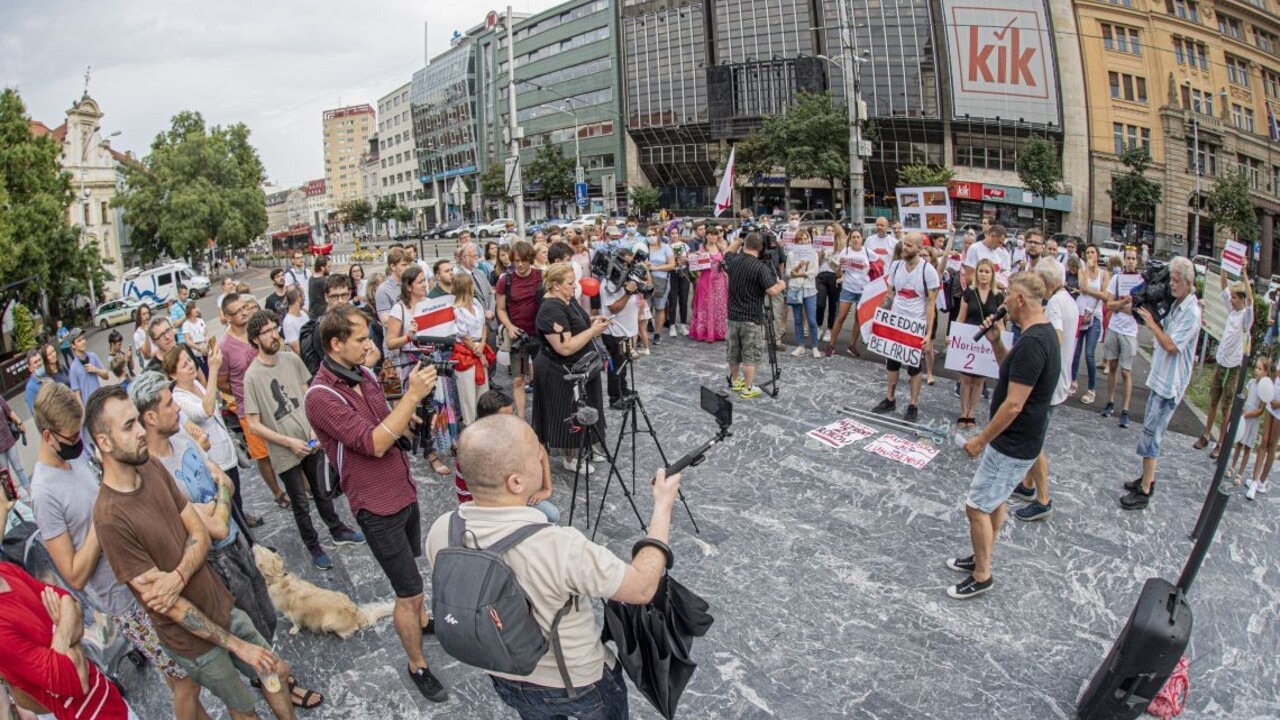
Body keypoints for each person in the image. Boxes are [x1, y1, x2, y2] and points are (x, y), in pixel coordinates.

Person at [424, 414, 683, 719]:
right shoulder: (559, 546)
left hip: (505, 674)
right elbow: (642, 587)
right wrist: (663, 506)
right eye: (537, 452)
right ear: (516, 481)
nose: (542, 455)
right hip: (576, 684)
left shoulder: (443, 530)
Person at [86, 386, 304, 720]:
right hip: (195, 644)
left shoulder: (151, 468)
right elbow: (169, 605)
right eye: (129, 426)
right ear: (104, 442)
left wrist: (178, 575)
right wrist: (235, 645)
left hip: (220, 604)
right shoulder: (110, 519)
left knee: (276, 671)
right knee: (244, 708)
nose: (142, 431)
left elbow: (200, 531)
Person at [304, 303, 450, 703]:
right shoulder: (320, 397)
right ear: (336, 344)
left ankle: (422, 618)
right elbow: (373, 442)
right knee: (407, 590)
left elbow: (385, 419)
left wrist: (412, 415)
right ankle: (417, 664)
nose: (371, 344)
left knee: (413, 574)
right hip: (376, 506)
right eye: (362, 338)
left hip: (402, 491)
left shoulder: (363, 373)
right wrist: (412, 395)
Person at [129, 372, 282, 651]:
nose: (177, 408)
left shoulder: (185, 442)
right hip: (216, 562)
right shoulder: (154, 474)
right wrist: (217, 499)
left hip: (238, 545)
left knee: (268, 616)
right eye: (168, 404)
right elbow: (217, 527)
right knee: (252, 632)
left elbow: (225, 483)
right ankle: (276, 682)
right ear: (150, 418)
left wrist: (213, 502)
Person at [949, 272, 1059, 599]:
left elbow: (1013, 404)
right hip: (1018, 441)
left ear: (1021, 300)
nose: (1004, 301)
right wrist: (996, 341)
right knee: (994, 501)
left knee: (976, 507)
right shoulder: (1037, 334)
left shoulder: (1034, 343)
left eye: (1009, 295)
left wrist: (980, 439)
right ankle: (981, 556)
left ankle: (982, 575)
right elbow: (1008, 370)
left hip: (1013, 442)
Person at [243, 311, 366, 570]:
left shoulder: (290, 358)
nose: (273, 334)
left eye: (274, 328)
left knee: (322, 490)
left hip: (310, 440)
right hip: (284, 450)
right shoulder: (252, 376)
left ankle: (338, 530)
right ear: (255, 339)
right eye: (266, 332)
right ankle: (314, 546)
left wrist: (313, 428)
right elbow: (253, 423)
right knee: (300, 502)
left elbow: (308, 394)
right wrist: (287, 442)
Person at [0, 554, 133, 720]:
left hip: (111, 698)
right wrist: (66, 629)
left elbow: (72, 603)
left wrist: (60, 636)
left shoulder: (5, 570)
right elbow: (78, 681)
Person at [1115, 257, 1200, 510]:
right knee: (1149, 431)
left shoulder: (1191, 312)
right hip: (1160, 377)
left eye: (1175, 281)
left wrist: (1151, 325)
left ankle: (1144, 491)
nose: (1171, 285)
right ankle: (1147, 478)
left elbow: (1172, 346)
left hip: (1169, 385)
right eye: (1171, 279)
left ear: (1187, 282)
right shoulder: (1178, 304)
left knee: (1151, 436)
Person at [164, 344, 262, 529]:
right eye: (184, 365)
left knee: (238, 500)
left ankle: (248, 535)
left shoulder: (197, 384)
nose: (191, 366)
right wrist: (214, 369)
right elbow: (206, 410)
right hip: (215, 461)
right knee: (229, 509)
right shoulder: (179, 399)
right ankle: (248, 546)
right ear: (173, 375)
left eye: (189, 361)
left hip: (226, 454)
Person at [1009, 259, 1077, 522]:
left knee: (1034, 440)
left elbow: (1055, 338)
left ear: (1047, 282)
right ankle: (1028, 485)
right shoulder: (1067, 298)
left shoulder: (1057, 304)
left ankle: (1043, 499)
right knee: (1037, 435)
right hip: (1059, 378)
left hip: (1049, 382)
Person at [532, 263, 610, 471]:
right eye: (570, 283)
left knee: (585, 406)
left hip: (580, 368)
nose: (575, 286)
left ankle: (585, 448)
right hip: (560, 372)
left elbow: (575, 323)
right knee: (568, 412)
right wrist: (593, 331)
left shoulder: (567, 298)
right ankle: (570, 458)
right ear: (556, 286)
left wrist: (592, 320)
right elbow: (565, 347)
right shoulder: (550, 310)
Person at [217, 293, 287, 510]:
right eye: (237, 311)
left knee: (285, 442)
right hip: (248, 408)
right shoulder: (225, 346)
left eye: (244, 307)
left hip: (273, 398)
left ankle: (302, 485)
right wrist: (244, 390)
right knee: (262, 454)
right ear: (227, 316)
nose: (244, 313)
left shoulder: (255, 332)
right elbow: (222, 382)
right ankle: (278, 492)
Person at [452, 389, 560, 522]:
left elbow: (541, 450)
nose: (512, 420)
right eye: (505, 418)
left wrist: (546, 489)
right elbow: (490, 498)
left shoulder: (512, 431)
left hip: (511, 496)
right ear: (489, 421)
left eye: (513, 413)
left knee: (552, 515)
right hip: (481, 508)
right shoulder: (474, 447)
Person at [870, 233, 940, 423]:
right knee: (892, 364)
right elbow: (890, 294)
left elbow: (931, 304)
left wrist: (928, 334)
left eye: (909, 245)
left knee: (914, 368)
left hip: (914, 326)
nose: (904, 248)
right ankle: (890, 399)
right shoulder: (896, 266)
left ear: (919, 248)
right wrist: (879, 317)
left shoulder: (928, 271)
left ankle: (912, 405)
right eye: (903, 244)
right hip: (896, 323)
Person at [1194, 268, 1253, 459]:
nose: (1232, 300)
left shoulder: (1245, 317)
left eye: (1236, 297)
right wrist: (1226, 267)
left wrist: (1244, 273)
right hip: (1221, 362)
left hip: (1232, 367)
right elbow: (1223, 286)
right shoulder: (1232, 312)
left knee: (1226, 406)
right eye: (1232, 297)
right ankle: (1206, 434)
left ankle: (1221, 442)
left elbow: (1251, 301)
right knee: (1213, 401)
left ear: (1242, 298)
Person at [723, 233, 786, 398]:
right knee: (750, 354)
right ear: (761, 248)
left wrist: (738, 240)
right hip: (752, 318)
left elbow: (727, 253)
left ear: (745, 245)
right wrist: (782, 284)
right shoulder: (760, 268)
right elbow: (772, 291)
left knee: (734, 351)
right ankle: (748, 388)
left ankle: (736, 381)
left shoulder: (733, 260)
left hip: (733, 316)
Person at [496, 241, 543, 419]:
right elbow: (500, 308)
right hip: (518, 336)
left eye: (524, 260)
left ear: (530, 259)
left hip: (539, 335)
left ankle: (543, 416)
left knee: (541, 379)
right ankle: (521, 419)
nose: (521, 265)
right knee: (518, 379)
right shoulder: (505, 280)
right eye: (517, 261)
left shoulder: (541, 276)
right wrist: (509, 326)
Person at [955, 259, 1003, 429]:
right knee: (966, 378)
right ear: (976, 274)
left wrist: (1001, 341)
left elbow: (1001, 323)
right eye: (980, 271)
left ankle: (972, 413)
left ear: (992, 275)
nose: (983, 274)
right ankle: (963, 412)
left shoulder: (998, 296)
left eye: (987, 271)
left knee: (979, 380)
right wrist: (953, 336)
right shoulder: (969, 292)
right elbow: (961, 317)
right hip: (969, 339)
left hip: (987, 341)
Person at [1100, 247, 1142, 428]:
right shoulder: (1117, 279)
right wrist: (1122, 304)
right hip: (1114, 328)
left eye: (1134, 258)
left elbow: (1138, 309)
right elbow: (1109, 304)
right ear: (1124, 260)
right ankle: (1110, 402)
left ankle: (1125, 409)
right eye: (1128, 258)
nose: (1131, 261)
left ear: (1137, 261)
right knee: (1112, 365)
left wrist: (1123, 307)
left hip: (1130, 331)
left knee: (1126, 371)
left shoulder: (1140, 281)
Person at [600, 248, 642, 407]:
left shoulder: (626, 277)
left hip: (627, 330)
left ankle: (623, 389)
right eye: (625, 263)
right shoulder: (608, 283)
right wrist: (628, 293)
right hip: (615, 331)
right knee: (616, 367)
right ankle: (615, 398)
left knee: (624, 363)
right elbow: (613, 308)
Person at [451, 272, 492, 426]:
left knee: (483, 391)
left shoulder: (476, 303)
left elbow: (483, 325)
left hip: (479, 345)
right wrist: (478, 352)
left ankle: (484, 424)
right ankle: (470, 425)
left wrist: (481, 346)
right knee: (468, 394)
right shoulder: (456, 309)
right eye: (471, 283)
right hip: (466, 352)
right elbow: (463, 335)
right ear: (465, 286)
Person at [1071, 245, 1110, 404]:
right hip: (1081, 314)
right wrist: (1087, 271)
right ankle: (1072, 381)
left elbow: (1105, 296)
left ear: (1098, 255)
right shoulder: (1082, 271)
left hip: (1095, 316)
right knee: (1076, 351)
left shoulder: (1104, 274)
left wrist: (1090, 292)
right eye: (1087, 253)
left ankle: (1091, 389)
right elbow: (1083, 287)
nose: (1090, 255)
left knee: (1089, 354)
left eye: (1093, 252)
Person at [825, 230, 871, 358]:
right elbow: (838, 274)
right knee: (841, 317)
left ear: (862, 239)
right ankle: (831, 345)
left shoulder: (867, 252)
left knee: (858, 318)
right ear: (850, 239)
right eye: (853, 237)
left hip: (863, 290)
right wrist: (841, 266)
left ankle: (852, 345)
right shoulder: (844, 252)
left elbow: (878, 265)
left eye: (858, 237)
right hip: (848, 288)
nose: (856, 239)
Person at [1227, 356, 1268, 485]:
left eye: (1260, 369)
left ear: (1266, 372)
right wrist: (1242, 409)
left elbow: (1261, 409)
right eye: (1256, 367)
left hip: (1253, 419)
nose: (1257, 371)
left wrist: (1251, 414)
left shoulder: (1264, 389)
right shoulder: (1251, 382)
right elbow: (1244, 397)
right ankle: (1232, 467)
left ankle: (1240, 473)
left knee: (1247, 447)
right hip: (1245, 416)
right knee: (1239, 443)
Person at [784, 228, 822, 357]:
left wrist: (801, 273)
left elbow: (814, 272)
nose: (803, 241)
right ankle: (800, 345)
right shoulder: (791, 254)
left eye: (806, 239)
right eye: (801, 239)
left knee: (811, 320)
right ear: (797, 241)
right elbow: (788, 273)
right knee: (798, 319)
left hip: (809, 289)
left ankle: (815, 346)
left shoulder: (814, 254)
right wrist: (799, 266)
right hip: (795, 289)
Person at [688, 226, 729, 343]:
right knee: (705, 305)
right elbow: (695, 267)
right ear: (706, 236)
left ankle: (719, 332)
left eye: (715, 234)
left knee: (719, 306)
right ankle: (704, 332)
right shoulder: (702, 249)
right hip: (706, 280)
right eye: (711, 234)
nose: (713, 236)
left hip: (719, 281)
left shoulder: (721, 248)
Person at [815, 224, 845, 343]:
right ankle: (818, 327)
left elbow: (840, 266)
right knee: (820, 303)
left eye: (832, 230)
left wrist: (831, 259)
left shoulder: (840, 246)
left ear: (836, 232)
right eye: (828, 230)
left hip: (833, 275)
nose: (830, 232)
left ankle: (829, 329)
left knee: (833, 304)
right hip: (821, 275)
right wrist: (821, 255)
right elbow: (816, 262)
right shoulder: (821, 244)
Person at [644, 231, 675, 344]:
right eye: (648, 235)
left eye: (653, 235)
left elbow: (672, 265)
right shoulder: (644, 247)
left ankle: (657, 333)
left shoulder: (665, 247)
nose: (651, 237)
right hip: (645, 281)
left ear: (658, 236)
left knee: (660, 307)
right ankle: (643, 334)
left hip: (661, 280)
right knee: (644, 308)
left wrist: (655, 268)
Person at [67, 328, 109, 405]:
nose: (83, 342)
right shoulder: (73, 368)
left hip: (100, 402)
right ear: (73, 345)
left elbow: (106, 376)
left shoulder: (93, 356)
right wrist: (83, 413)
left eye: (83, 339)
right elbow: (77, 395)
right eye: (79, 341)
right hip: (89, 407)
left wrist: (96, 370)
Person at [964, 223, 1013, 290]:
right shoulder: (975, 249)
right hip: (979, 293)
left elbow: (1002, 272)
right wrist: (993, 284)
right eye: (999, 242)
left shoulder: (999, 252)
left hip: (995, 295)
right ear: (992, 236)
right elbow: (969, 278)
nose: (1000, 245)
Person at [0, 391, 28, 493]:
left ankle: (29, 491)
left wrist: (19, 422)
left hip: (8, 439)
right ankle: (12, 499)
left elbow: (9, 411)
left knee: (18, 468)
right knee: (5, 476)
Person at [280, 287, 307, 354]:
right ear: (299, 299)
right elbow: (297, 349)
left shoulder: (303, 313)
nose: (305, 297)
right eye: (303, 294)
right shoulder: (288, 322)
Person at [308, 255, 331, 320]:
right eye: (328, 267)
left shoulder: (311, 278)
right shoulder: (323, 281)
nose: (330, 269)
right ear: (322, 268)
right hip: (322, 315)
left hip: (313, 314)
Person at [23, 349, 45, 415]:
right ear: (30, 368)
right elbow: (36, 414)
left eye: (40, 360)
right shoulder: (30, 389)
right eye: (35, 362)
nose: (39, 363)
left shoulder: (47, 379)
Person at [132, 303, 153, 369]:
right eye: (144, 314)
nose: (147, 316)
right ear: (139, 316)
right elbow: (147, 354)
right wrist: (147, 334)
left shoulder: (153, 326)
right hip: (150, 365)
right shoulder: (137, 334)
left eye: (147, 313)